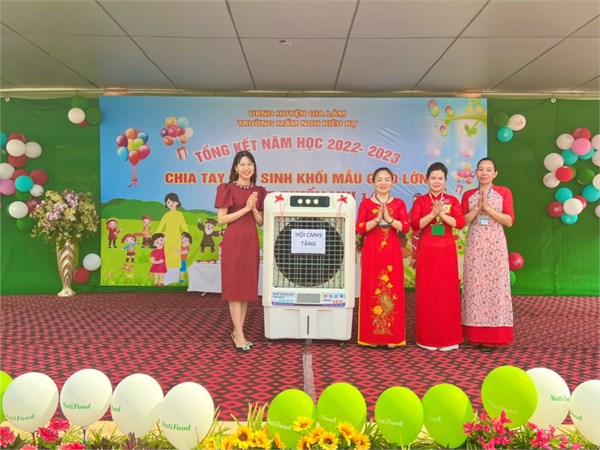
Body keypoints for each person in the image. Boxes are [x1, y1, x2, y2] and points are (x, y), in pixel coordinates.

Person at [410, 162, 465, 351]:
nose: (436, 181)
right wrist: (433, 213)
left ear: (445, 180)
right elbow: (415, 224)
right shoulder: (421, 201)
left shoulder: (452, 200)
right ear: (426, 180)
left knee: (447, 292)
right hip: (427, 251)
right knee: (427, 291)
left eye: (440, 178)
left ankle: (448, 338)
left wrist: (442, 214)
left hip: (446, 251)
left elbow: (459, 223)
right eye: (433, 178)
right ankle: (426, 338)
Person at [215, 151, 267, 352]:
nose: (246, 168)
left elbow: (261, 222)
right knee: (235, 288)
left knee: (245, 289)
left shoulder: (259, 191)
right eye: (242, 164)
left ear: (254, 167)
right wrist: (245, 209)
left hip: (250, 242)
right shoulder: (227, 188)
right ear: (235, 168)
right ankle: (238, 333)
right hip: (234, 242)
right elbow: (221, 219)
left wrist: (252, 209)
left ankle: (238, 331)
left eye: (250, 164)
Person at [461, 157, 514, 351]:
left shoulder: (503, 192)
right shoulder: (468, 195)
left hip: (495, 246)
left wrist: (488, 208)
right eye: (481, 169)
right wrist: (477, 208)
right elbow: (462, 221)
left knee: (496, 288)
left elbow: (509, 221)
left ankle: (495, 336)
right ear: (475, 172)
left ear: (495, 173)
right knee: (474, 288)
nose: (484, 173)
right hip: (475, 246)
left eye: (488, 170)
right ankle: (475, 335)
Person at [356, 167, 410, 347]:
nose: (383, 183)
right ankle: (371, 337)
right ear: (373, 182)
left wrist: (389, 218)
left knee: (392, 289)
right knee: (371, 288)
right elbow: (360, 228)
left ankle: (391, 337)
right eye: (379, 179)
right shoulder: (366, 204)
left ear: (392, 182)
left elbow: (405, 227)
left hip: (392, 252)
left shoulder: (399, 203)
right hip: (372, 251)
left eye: (387, 179)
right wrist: (377, 219)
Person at [155, 193, 190, 272]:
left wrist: (187, 237)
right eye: (168, 202)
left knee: (176, 254)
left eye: (173, 202)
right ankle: (166, 269)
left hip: (177, 238)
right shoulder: (166, 215)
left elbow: (184, 226)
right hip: (167, 238)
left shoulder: (179, 214)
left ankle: (176, 271)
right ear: (166, 204)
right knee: (167, 254)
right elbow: (160, 227)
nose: (170, 204)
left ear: (177, 202)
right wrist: (156, 237)